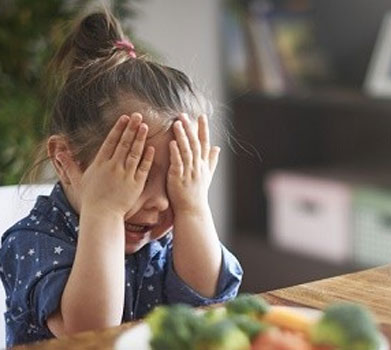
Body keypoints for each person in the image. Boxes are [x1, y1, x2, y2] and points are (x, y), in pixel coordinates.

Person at [0, 9, 243, 347]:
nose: (160, 201)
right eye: (138, 177)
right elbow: (89, 332)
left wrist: (192, 207)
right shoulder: (33, 241)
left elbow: (208, 301)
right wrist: (105, 212)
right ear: (65, 160)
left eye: (175, 181)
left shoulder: (168, 232)